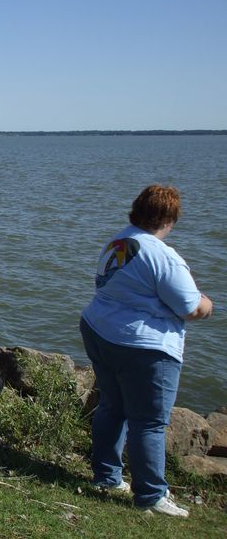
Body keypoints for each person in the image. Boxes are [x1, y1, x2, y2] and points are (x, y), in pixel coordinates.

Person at [80, 184, 213, 518]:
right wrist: (209, 305)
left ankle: (106, 476)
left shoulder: (118, 243)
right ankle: (151, 495)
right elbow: (189, 307)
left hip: (100, 330)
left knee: (112, 406)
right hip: (143, 346)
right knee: (149, 422)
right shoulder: (162, 255)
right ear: (169, 219)